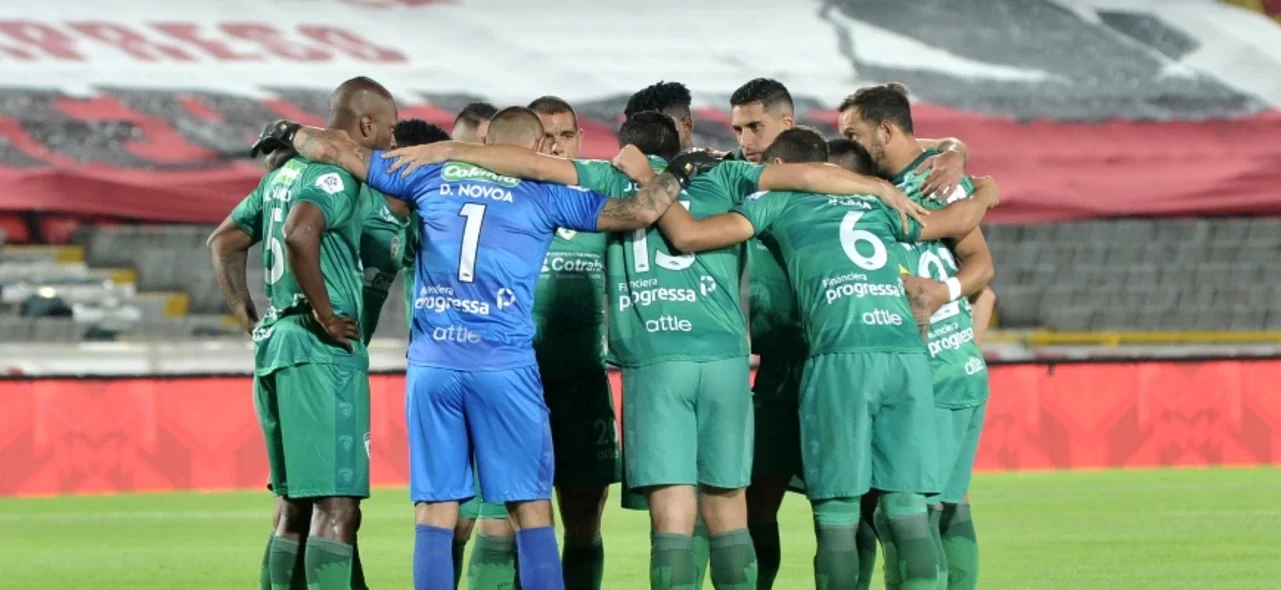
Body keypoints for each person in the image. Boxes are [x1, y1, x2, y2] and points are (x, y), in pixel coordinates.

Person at [379, 109, 924, 590]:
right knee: (730, 510)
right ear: (684, 141)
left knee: (669, 514)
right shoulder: (727, 174)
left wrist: (451, 149)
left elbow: (532, 165)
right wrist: (876, 187)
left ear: (628, 144)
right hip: (723, 362)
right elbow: (802, 174)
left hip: (649, 362)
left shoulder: (605, 175)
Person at [254, 105, 716, 590]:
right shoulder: (546, 196)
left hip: (433, 366)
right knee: (530, 507)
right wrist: (680, 172)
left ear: (485, 140)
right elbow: (640, 210)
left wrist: (288, 129)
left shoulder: (428, 176)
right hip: (504, 366)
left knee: (435, 509)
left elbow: (336, 148)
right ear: (536, 149)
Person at [630, 126, 1000, 590]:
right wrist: (985, 190)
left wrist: (650, 179)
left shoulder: (775, 201)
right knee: (906, 512)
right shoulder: (880, 202)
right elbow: (955, 220)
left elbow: (687, 236)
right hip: (906, 356)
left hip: (840, 358)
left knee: (838, 516)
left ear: (784, 170)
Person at [208, 76, 398, 590]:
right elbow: (299, 233)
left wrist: (250, 319)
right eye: (389, 129)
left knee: (292, 503)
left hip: (276, 344)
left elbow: (224, 242)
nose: (392, 141)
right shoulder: (334, 177)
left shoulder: (280, 176)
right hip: (319, 352)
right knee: (337, 508)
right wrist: (327, 315)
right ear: (365, 124)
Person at [839, 83, 998, 590]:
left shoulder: (928, 182)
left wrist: (940, 290)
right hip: (947, 368)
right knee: (947, 506)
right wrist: (958, 154)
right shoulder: (930, 171)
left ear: (885, 131)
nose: (849, 145)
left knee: (905, 515)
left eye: (853, 134)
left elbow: (982, 265)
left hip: (933, 373)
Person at [527, 95, 619, 590]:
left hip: (584, 383)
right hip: (519, 384)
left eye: (566, 136)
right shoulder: (509, 199)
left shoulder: (600, 205)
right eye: (546, 136)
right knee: (512, 518)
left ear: (579, 140)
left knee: (585, 519)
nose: (556, 146)